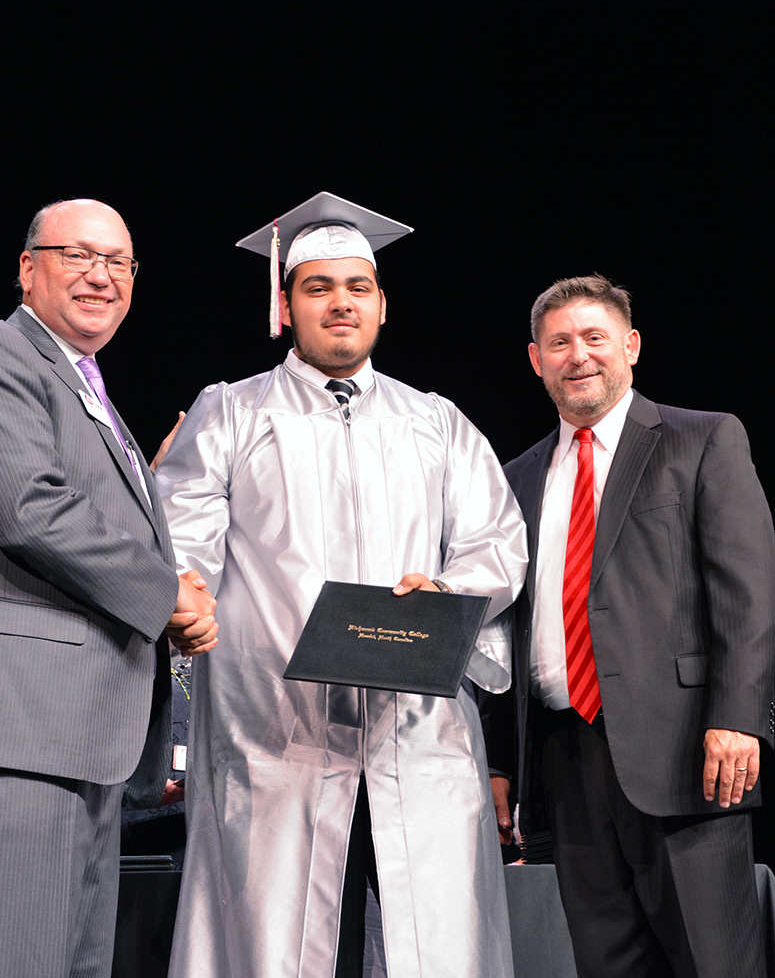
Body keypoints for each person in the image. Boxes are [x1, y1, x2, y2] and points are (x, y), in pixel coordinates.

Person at [156, 192, 527, 978]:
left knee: (433, 945)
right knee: (270, 943)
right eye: (317, 287)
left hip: (416, 734)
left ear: (383, 305)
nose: (340, 304)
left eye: (357, 287)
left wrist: (448, 587)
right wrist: (185, 599)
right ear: (285, 304)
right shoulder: (230, 414)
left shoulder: (437, 422)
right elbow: (183, 536)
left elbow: (498, 544)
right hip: (274, 731)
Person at [0, 199, 219, 977]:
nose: (101, 275)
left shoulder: (86, 388)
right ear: (28, 268)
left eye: (120, 262)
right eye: (78, 254)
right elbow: (31, 511)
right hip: (5, 726)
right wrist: (168, 592)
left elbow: (77, 512)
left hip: (75, 732)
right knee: (3, 960)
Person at [482, 275, 775, 978]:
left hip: (686, 750)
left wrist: (738, 715)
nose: (578, 355)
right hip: (564, 761)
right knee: (608, 964)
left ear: (631, 346)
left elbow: (748, 590)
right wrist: (499, 762)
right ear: (536, 359)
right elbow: (501, 624)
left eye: (594, 337)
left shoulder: (700, 439)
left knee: (717, 964)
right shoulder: (516, 477)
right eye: (559, 343)